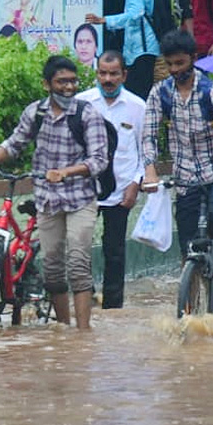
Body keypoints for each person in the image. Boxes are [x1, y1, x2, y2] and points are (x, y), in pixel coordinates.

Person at [0, 56, 109, 329]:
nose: (68, 87)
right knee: (52, 271)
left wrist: (66, 172)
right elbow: (14, 144)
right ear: (46, 85)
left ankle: (83, 334)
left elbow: (99, 160)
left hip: (81, 200)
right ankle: (64, 329)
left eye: (73, 81)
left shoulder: (87, 114)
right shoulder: (35, 113)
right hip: (47, 200)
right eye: (61, 82)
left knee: (77, 264)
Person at [141, 31, 213, 300]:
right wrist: (149, 171)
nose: (175, 70)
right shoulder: (160, 94)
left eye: (180, 64)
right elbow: (148, 135)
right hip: (184, 178)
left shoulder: (212, 92)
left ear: (194, 59)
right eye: (170, 64)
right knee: (188, 244)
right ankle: (189, 306)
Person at [76, 51, 146, 309]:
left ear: (124, 75)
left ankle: (113, 309)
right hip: (85, 189)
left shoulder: (138, 107)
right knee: (78, 246)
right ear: (96, 74)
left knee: (114, 252)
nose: (108, 79)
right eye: (103, 73)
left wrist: (136, 183)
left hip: (121, 191)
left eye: (114, 74)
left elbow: (145, 151)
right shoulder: (82, 103)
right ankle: (87, 298)